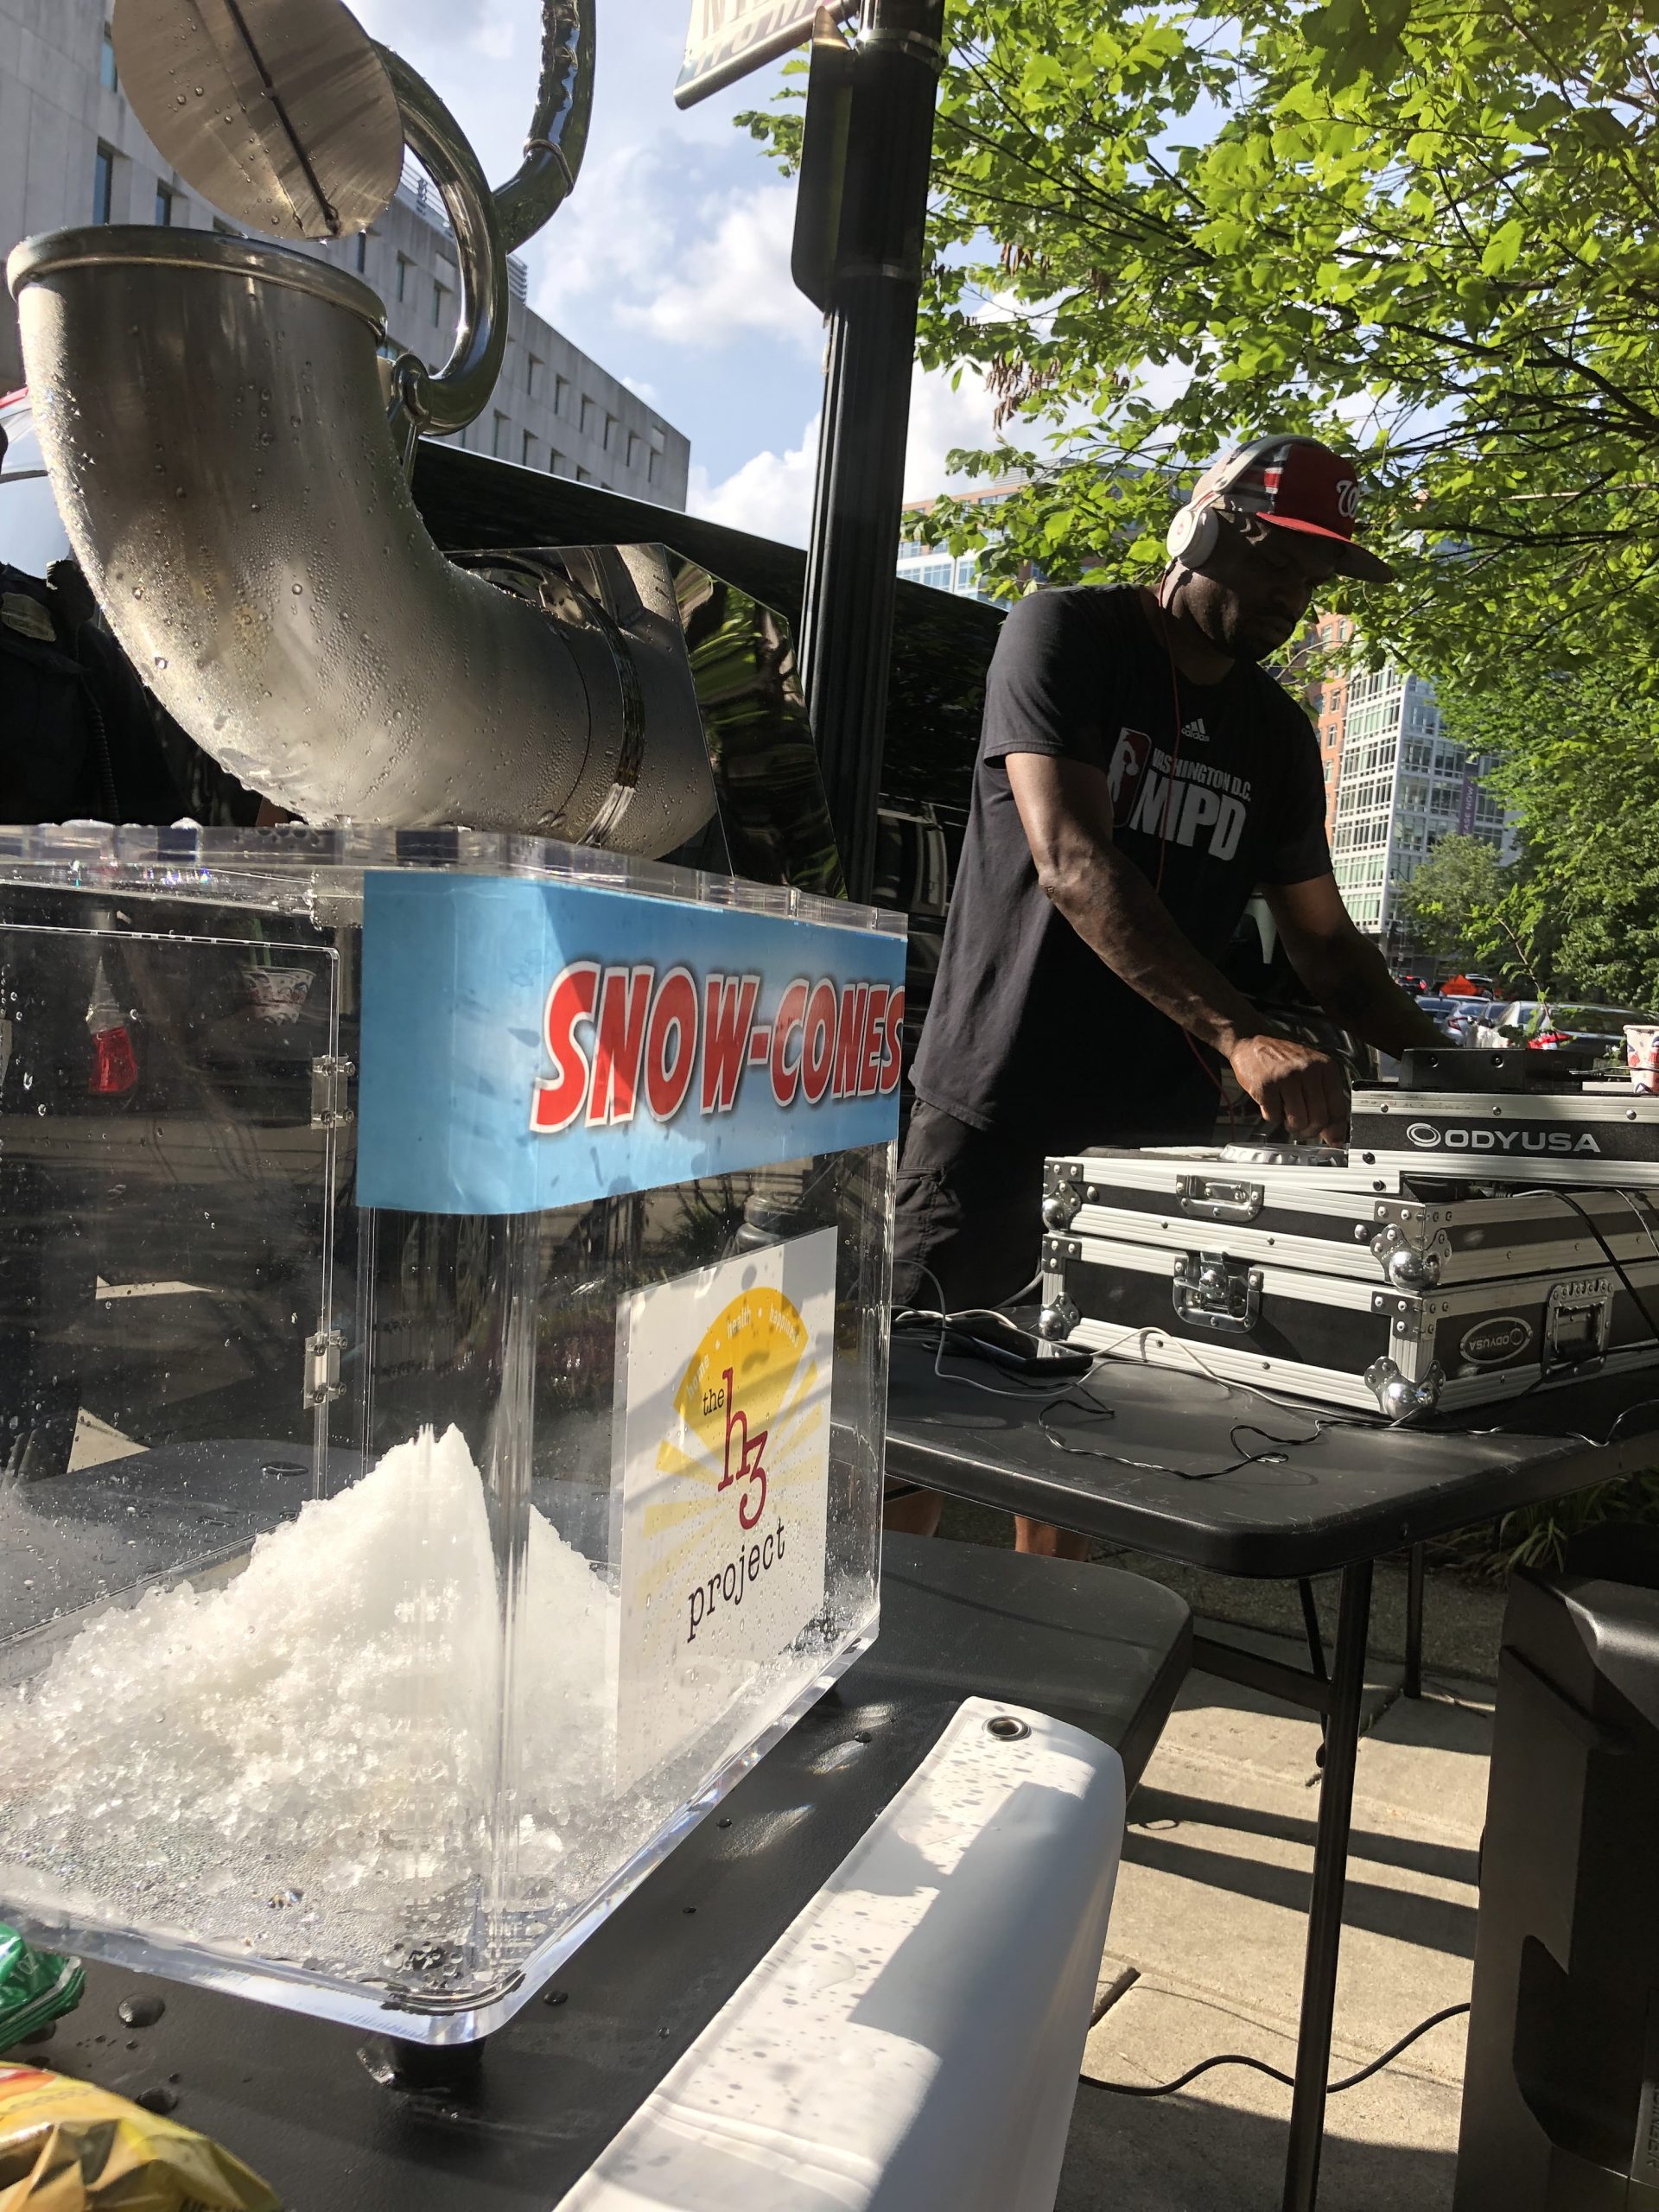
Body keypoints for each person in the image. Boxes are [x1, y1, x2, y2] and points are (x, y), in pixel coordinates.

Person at [891, 433, 1446, 1554]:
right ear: (1200, 529)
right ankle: (893, 1636)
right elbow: (1071, 859)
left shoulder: (1279, 737)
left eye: (1313, 576)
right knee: (909, 1414)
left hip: (1150, 1149)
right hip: (997, 1107)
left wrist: (1466, 1072)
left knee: (1090, 1435)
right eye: (1275, 557)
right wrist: (1244, 1034)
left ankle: (1053, 1642)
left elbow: (1329, 952)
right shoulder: (1064, 635)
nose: (1292, 594)